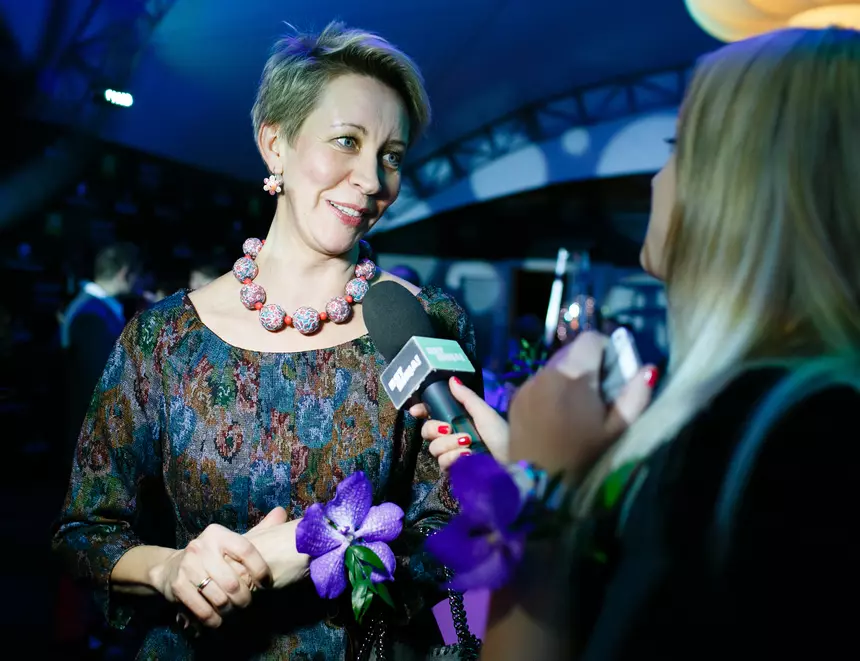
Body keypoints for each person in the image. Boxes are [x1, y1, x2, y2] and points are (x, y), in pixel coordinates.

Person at [417, 27, 860, 659]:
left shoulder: (798, 443)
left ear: (739, 186)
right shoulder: (780, 409)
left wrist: (538, 492)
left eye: (677, 148)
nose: (656, 179)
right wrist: (544, 469)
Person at [52, 22, 480, 659]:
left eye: (391, 156)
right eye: (347, 141)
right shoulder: (162, 339)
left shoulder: (427, 322)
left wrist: (328, 544)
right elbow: (84, 532)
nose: (372, 179)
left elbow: (464, 543)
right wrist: (170, 570)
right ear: (275, 144)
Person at [61, 242, 142, 455]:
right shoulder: (92, 315)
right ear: (125, 273)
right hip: (94, 437)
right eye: (137, 275)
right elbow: (98, 379)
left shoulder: (93, 308)